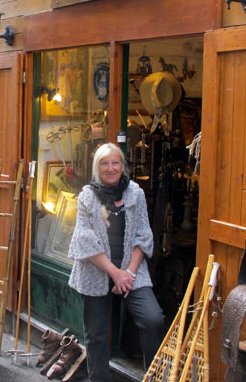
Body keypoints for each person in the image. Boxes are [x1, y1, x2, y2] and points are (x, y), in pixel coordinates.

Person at [68, 143, 164, 382]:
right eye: (104, 163)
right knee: (96, 334)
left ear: (123, 165)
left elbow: (144, 236)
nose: (111, 168)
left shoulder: (136, 193)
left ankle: (154, 377)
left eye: (115, 163)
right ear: (97, 167)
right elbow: (84, 240)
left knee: (153, 320)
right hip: (96, 270)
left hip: (131, 270)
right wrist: (115, 273)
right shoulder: (87, 197)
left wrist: (128, 274)